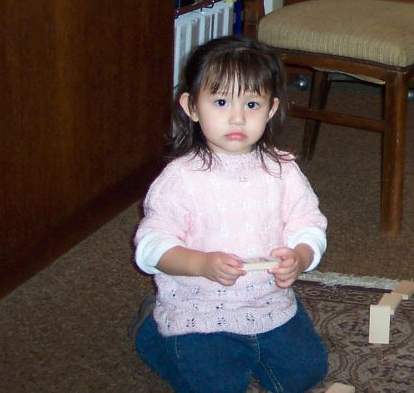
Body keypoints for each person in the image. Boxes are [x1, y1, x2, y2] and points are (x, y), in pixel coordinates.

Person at [132, 36, 329, 393]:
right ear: (192, 107)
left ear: (271, 109)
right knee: (219, 386)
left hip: (270, 305)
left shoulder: (283, 170)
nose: (237, 117)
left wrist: (301, 256)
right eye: (221, 102)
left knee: (308, 372)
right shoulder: (180, 179)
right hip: (199, 313)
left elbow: (309, 224)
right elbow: (149, 248)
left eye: (252, 104)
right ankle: (152, 334)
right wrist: (201, 264)